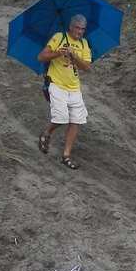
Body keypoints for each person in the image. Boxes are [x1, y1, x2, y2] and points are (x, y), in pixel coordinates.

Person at [37, 14, 91, 170]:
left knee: (76, 121)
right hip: (57, 84)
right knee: (60, 118)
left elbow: (87, 68)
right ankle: (47, 132)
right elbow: (41, 57)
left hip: (74, 87)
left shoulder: (84, 43)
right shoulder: (59, 37)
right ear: (71, 27)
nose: (79, 31)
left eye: (82, 29)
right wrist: (58, 53)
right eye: (77, 28)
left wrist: (74, 56)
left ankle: (66, 155)